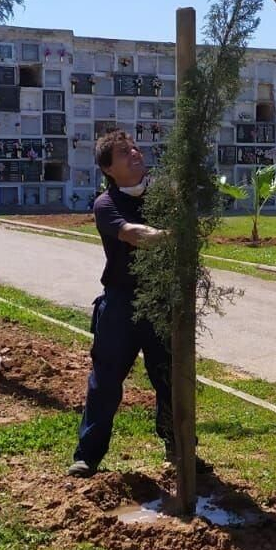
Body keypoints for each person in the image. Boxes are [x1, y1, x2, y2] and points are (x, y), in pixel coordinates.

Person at [67, 130, 174, 477]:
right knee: (105, 380)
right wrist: (175, 236)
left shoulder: (164, 192)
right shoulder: (106, 204)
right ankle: (87, 456)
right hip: (120, 303)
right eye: (124, 152)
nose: (134, 153)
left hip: (160, 300)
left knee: (170, 377)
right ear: (109, 169)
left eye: (134, 148)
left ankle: (179, 448)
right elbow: (134, 235)